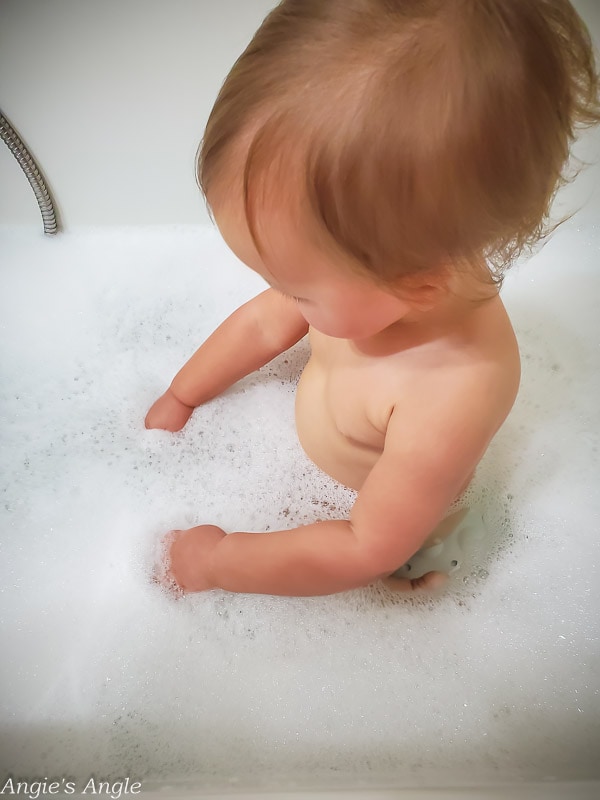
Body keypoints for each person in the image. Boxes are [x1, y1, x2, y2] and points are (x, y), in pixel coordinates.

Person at [145, 0, 600, 596]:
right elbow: (261, 327)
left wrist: (216, 563)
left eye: (296, 290)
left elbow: (365, 544)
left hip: (406, 530)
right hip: (336, 493)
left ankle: (434, 591)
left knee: (416, 574)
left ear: (418, 282)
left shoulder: (452, 389)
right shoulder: (372, 268)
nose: (279, 297)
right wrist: (183, 394)